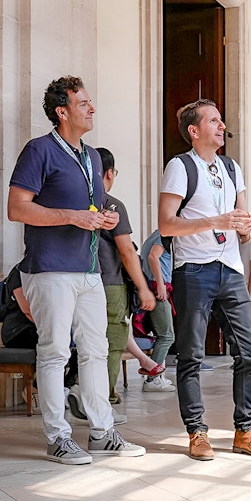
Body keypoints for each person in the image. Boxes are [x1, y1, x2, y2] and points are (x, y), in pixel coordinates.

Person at [7, 75, 145, 464]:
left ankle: (102, 431)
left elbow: (86, 211)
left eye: (90, 101)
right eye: (83, 103)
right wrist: (72, 216)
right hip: (49, 268)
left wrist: (99, 219)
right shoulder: (39, 150)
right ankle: (58, 437)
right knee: (53, 352)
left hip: (88, 270)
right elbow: (17, 208)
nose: (92, 108)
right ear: (61, 112)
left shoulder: (93, 157)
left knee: (97, 351)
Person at [158, 98, 251, 461]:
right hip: (194, 268)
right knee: (191, 355)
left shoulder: (232, 167)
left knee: (249, 352)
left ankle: (244, 430)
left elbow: (239, 222)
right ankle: (197, 432)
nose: (222, 126)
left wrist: (244, 227)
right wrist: (215, 222)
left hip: (231, 270)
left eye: (221, 120)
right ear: (194, 131)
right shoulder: (179, 166)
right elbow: (166, 224)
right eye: (213, 121)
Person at [96, 147, 156, 405]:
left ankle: (82, 393)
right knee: (112, 343)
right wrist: (143, 288)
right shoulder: (112, 205)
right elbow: (127, 252)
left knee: (88, 343)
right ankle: (104, 398)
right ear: (109, 173)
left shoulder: (73, 204)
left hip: (78, 281)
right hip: (110, 283)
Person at [138, 229, 177, 392]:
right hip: (157, 287)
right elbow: (153, 257)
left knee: (164, 335)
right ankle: (152, 378)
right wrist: (161, 285)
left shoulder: (155, 235)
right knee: (167, 335)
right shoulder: (166, 235)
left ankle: (156, 375)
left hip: (151, 285)